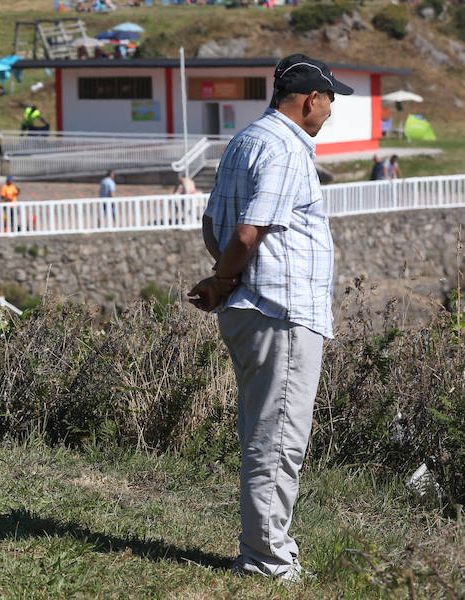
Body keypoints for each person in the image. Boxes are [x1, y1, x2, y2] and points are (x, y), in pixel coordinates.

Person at [188, 53, 353, 582]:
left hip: (249, 309)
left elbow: (215, 226)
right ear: (310, 100)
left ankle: (266, 545)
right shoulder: (286, 148)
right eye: (329, 100)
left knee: (265, 430)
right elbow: (244, 234)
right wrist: (224, 279)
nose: (329, 111)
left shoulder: (248, 139)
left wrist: (224, 282)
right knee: (279, 439)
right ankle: (265, 559)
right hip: (280, 311)